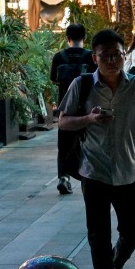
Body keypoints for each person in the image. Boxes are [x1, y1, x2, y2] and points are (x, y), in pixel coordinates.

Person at [58, 29, 135, 269]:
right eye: (106, 56)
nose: (112, 61)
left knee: (133, 232)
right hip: (94, 172)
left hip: (128, 171)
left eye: (117, 55)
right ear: (95, 58)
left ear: (124, 55)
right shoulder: (82, 85)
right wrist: (89, 118)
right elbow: (63, 123)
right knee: (98, 236)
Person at [50, 24, 92, 195]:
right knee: (87, 142)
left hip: (65, 108)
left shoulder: (59, 57)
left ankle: (63, 178)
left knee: (64, 144)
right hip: (87, 107)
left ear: (67, 38)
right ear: (84, 38)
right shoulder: (90, 56)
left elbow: (53, 79)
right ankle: (88, 175)